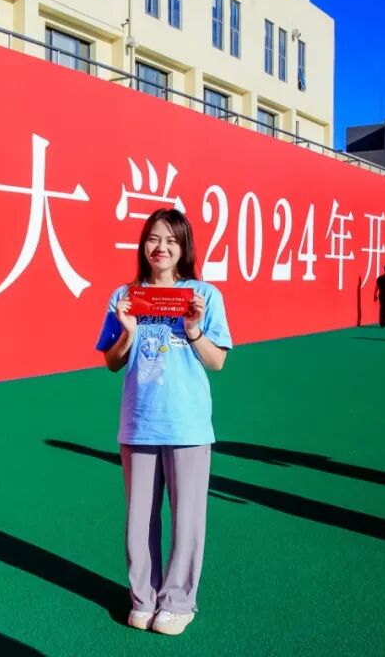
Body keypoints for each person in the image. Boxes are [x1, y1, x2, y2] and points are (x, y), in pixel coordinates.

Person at [95, 208, 232, 637]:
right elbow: (112, 362)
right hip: (138, 424)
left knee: (187, 520)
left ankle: (178, 603)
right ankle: (143, 599)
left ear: (184, 247)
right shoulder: (125, 296)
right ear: (143, 245)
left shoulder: (203, 295)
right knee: (140, 521)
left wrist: (193, 329)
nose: (161, 248)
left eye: (171, 240)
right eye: (154, 238)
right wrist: (128, 330)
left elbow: (218, 361)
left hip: (188, 425)